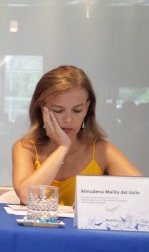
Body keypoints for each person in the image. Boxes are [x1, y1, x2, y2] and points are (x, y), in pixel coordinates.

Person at [12, 65, 141, 205]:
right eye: (58, 110)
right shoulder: (25, 148)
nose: (68, 119)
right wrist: (62, 147)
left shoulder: (101, 150)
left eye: (77, 110)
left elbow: (144, 193)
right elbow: (26, 197)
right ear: (41, 109)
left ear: (87, 108)